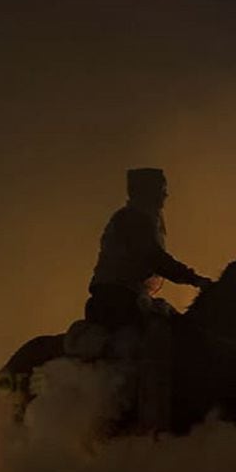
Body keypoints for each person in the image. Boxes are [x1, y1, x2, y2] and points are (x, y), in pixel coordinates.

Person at [85, 168, 212, 432]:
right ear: (147, 192)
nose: (165, 195)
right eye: (160, 189)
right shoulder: (133, 220)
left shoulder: (134, 219)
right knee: (158, 342)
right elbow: (155, 258)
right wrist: (194, 279)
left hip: (121, 296)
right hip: (117, 299)